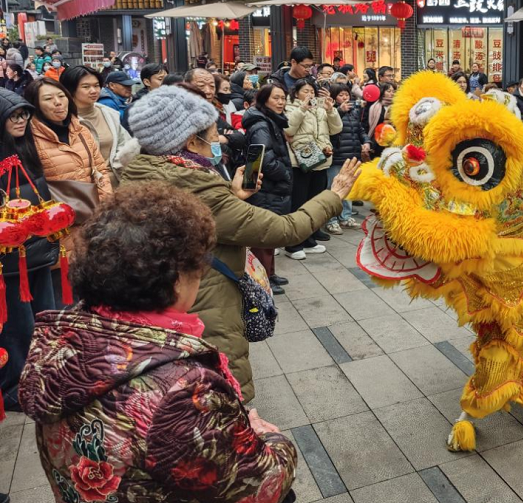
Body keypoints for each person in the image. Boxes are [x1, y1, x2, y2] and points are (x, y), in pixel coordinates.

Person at [18, 185, 300, 502]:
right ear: (177, 278)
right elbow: (262, 484)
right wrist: (269, 437)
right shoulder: (182, 390)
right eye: (199, 268)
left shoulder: (63, 339)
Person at [122, 85, 361, 399]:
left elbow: (199, 223)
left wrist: (232, 195)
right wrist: (334, 195)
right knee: (225, 391)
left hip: (164, 304)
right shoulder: (196, 187)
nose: (219, 140)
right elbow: (286, 230)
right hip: (207, 307)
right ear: (190, 142)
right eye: (213, 135)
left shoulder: (139, 174)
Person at [0, 89, 59, 414]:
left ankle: (42, 378)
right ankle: (16, 387)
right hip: (8, 260)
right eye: (13, 115)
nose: (21, 120)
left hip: (37, 250)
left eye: (24, 114)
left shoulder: (26, 149)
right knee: (17, 326)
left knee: (44, 317)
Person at [241, 84, 298, 283]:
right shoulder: (261, 125)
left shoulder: (270, 120)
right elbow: (262, 159)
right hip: (265, 187)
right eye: (276, 98)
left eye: (283, 98)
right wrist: (285, 174)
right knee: (263, 236)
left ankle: (269, 275)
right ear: (264, 100)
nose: (281, 102)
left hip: (270, 187)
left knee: (269, 235)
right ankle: (261, 280)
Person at [25, 77, 113, 204]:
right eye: (48, 99)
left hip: (94, 207)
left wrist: (104, 203)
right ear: (35, 104)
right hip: (58, 211)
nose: (58, 102)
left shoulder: (81, 130)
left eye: (61, 96)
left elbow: (101, 170)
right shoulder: (30, 138)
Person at [283, 79, 343, 258]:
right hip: (301, 161)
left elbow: (336, 129)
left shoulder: (321, 108)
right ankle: (293, 245)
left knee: (314, 202)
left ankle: (309, 240)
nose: (309, 94)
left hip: (321, 159)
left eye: (312, 91)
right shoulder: (290, 108)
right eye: (305, 91)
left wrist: (331, 110)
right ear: (296, 93)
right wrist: (302, 109)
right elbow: (289, 130)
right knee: (299, 203)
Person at [61, 65, 139, 187]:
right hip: (84, 187)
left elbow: (125, 146)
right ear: (71, 89)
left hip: (115, 184)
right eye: (86, 87)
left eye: (96, 85)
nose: (93, 91)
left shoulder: (109, 114)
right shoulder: (62, 119)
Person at [326, 83, 368, 234]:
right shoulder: (330, 111)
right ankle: (331, 220)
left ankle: (346, 216)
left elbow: (360, 130)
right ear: (333, 97)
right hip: (336, 155)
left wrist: (366, 142)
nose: (345, 98)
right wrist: (340, 111)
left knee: (348, 186)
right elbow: (330, 129)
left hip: (351, 155)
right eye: (341, 95)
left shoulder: (354, 111)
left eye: (346, 94)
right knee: (333, 188)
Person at [363, 82, 395, 158]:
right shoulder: (374, 106)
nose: (392, 93)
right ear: (382, 92)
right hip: (377, 140)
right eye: (389, 91)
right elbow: (367, 124)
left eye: (393, 91)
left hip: (393, 140)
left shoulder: (396, 106)